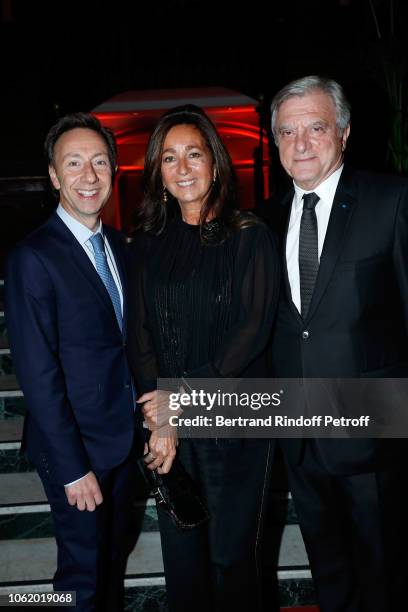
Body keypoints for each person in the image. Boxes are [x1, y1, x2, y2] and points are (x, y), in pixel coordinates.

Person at [127, 104, 279, 612]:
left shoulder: (248, 235)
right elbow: (142, 334)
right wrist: (158, 416)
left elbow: (251, 331)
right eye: (169, 158)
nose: (183, 167)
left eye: (194, 154)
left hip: (235, 421)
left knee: (234, 564)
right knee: (184, 561)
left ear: (215, 162)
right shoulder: (148, 243)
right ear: (158, 172)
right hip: (171, 426)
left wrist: (177, 398)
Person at [269, 75, 408, 612]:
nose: (301, 143)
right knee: (331, 578)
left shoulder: (392, 202)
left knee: (384, 577)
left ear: (344, 133)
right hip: (301, 441)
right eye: (287, 131)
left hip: (375, 437)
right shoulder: (263, 218)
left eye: (316, 127)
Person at [5, 113, 143, 612]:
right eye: (75, 163)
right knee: (79, 577)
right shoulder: (33, 258)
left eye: (100, 162)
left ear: (114, 170)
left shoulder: (120, 249)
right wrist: (71, 469)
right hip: (75, 451)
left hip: (122, 443)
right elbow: (38, 375)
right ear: (54, 176)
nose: (89, 175)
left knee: (110, 562)